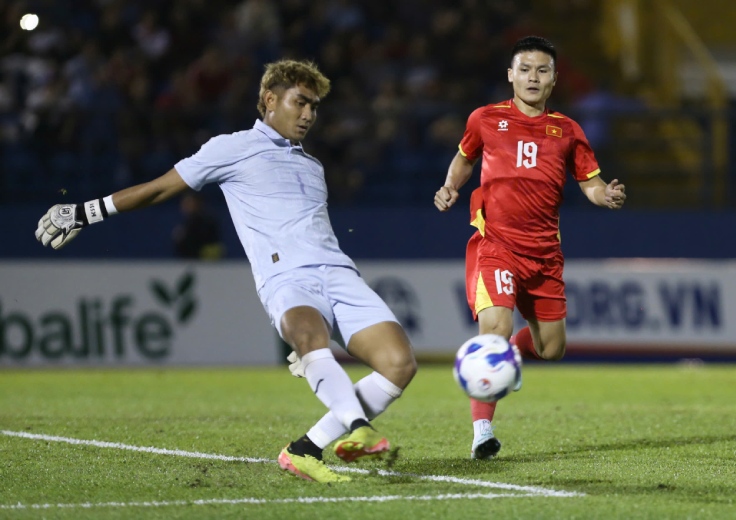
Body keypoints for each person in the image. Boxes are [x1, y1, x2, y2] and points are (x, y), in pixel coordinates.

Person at [35, 59, 417, 483]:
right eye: (300, 103)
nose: (309, 114)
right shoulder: (230, 148)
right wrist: (85, 213)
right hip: (287, 278)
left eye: (314, 107)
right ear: (270, 100)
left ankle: (304, 450)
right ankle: (357, 427)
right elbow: (161, 187)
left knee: (399, 364)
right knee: (311, 339)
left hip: (341, 274)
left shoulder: (313, 165)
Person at [433, 36, 626, 460]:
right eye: (525, 69)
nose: (533, 77)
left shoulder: (568, 131)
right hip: (497, 245)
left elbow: (590, 183)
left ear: (554, 79)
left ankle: (508, 359)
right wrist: (450, 187)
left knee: (551, 348)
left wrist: (604, 196)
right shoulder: (485, 119)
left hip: (544, 255)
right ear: (511, 75)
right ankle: (482, 430)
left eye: (542, 70)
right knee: (495, 331)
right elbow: (465, 158)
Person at [172, 191, 224, 260]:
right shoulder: (186, 223)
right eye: (185, 202)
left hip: (206, 264)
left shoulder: (207, 222)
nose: (186, 205)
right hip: (188, 262)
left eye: (189, 202)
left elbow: (211, 247)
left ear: (198, 203)